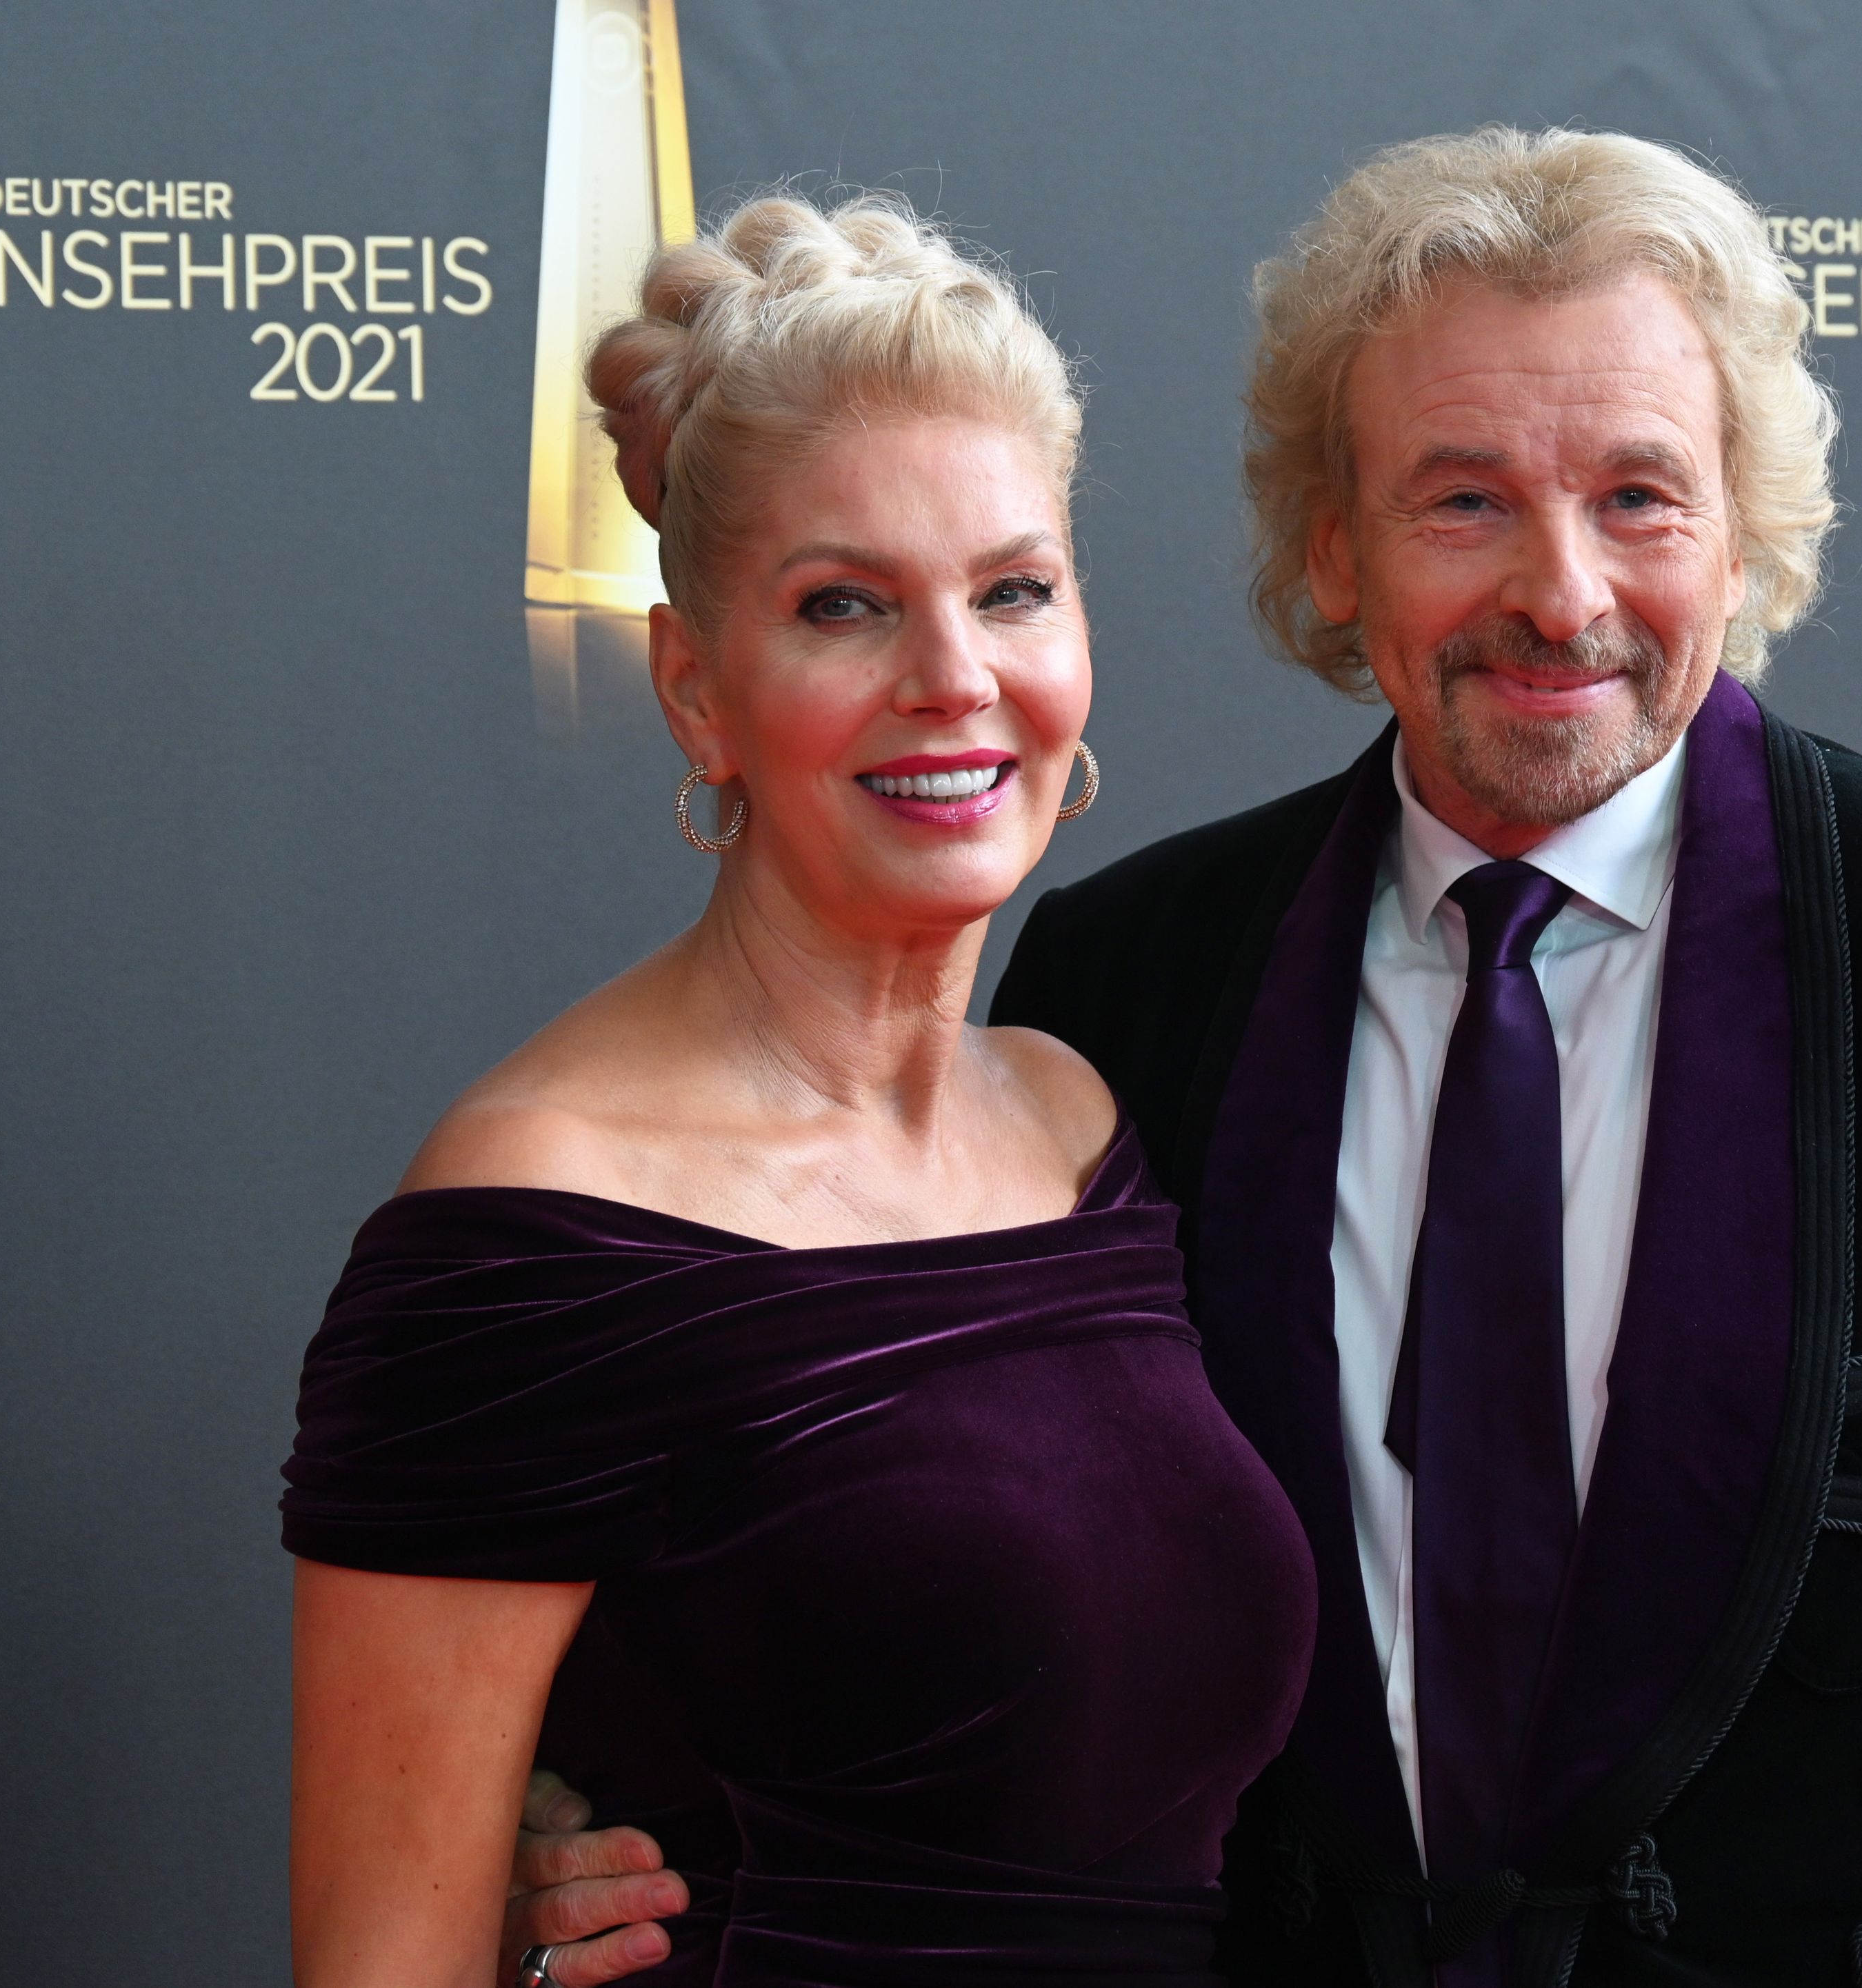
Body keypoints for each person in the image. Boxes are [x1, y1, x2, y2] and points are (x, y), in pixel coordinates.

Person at [500, 129, 1862, 1988]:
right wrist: (627, 1808)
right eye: (1465, 498)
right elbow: (966, 1553)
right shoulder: (1126, 983)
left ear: (1740, 525)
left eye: (1636, 493)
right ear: (1335, 547)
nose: (1562, 591)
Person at [281, 190, 1316, 1988]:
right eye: (846, 605)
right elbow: (388, 1954)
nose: (955, 678)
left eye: (1013, 589)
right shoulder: (533, 1221)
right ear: (698, 688)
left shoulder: (1078, 1120)